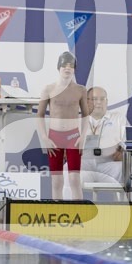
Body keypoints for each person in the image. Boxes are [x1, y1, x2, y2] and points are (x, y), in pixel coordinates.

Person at [37, 51, 89, 200]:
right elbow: (40, 115)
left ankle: (78, 210)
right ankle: (57, 209)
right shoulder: (48, 89)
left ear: (74, 69)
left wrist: (83, 137)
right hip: (55, 136)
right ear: (58, 67)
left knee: (74, 179)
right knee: (57, 180)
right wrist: (45, 138)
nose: (67, 68)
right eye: (64, 65)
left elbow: (85, 115)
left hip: (73, 136)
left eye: (71, 66)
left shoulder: (81, 90)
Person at [80, 87, 127, 188]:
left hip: (109, 163)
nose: (98, 102)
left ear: (107, 102)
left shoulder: (118, 118)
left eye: (102, 99)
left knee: (122, 168)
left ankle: (118, 198)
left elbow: (126, 144)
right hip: (84, 163)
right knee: (69, 168)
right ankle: (70, 199)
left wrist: (122, 153)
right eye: (94, 99)